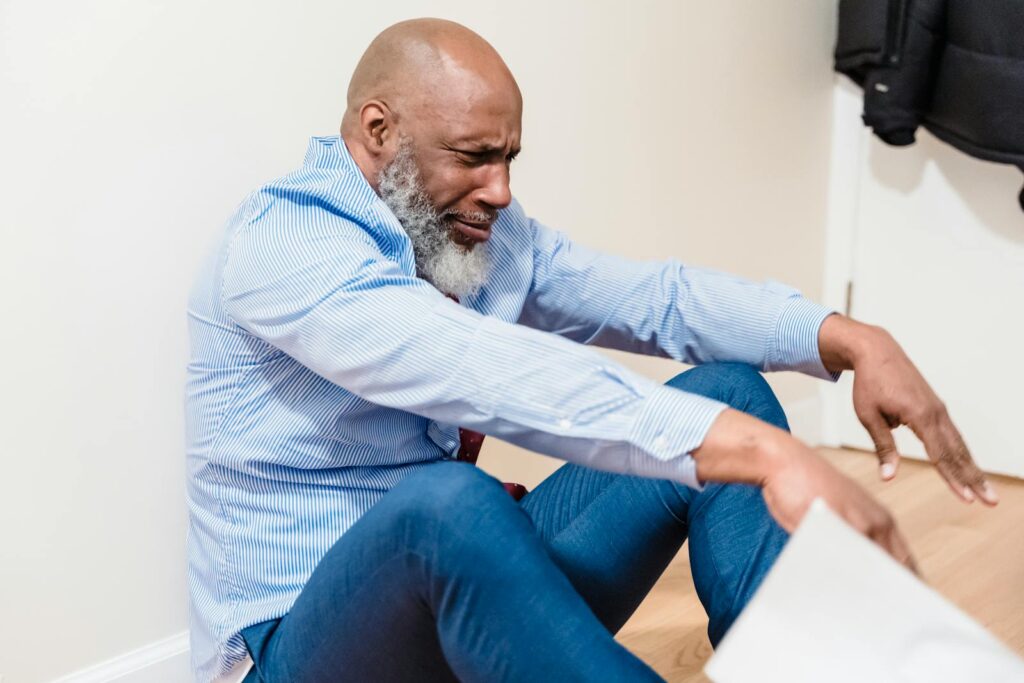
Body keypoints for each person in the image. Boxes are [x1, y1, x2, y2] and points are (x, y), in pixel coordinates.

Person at [185, 17, 999, 683]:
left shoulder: (481, 235)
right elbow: (476, 370)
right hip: (302, 648)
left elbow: (656, 299)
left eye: (508, 159)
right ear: (378, 131)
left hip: (467, 599)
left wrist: (847, 336)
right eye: (474, 157)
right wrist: (765, 456)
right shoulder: (283, 247)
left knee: (731, 392)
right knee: (446, 507)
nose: (501, 190)